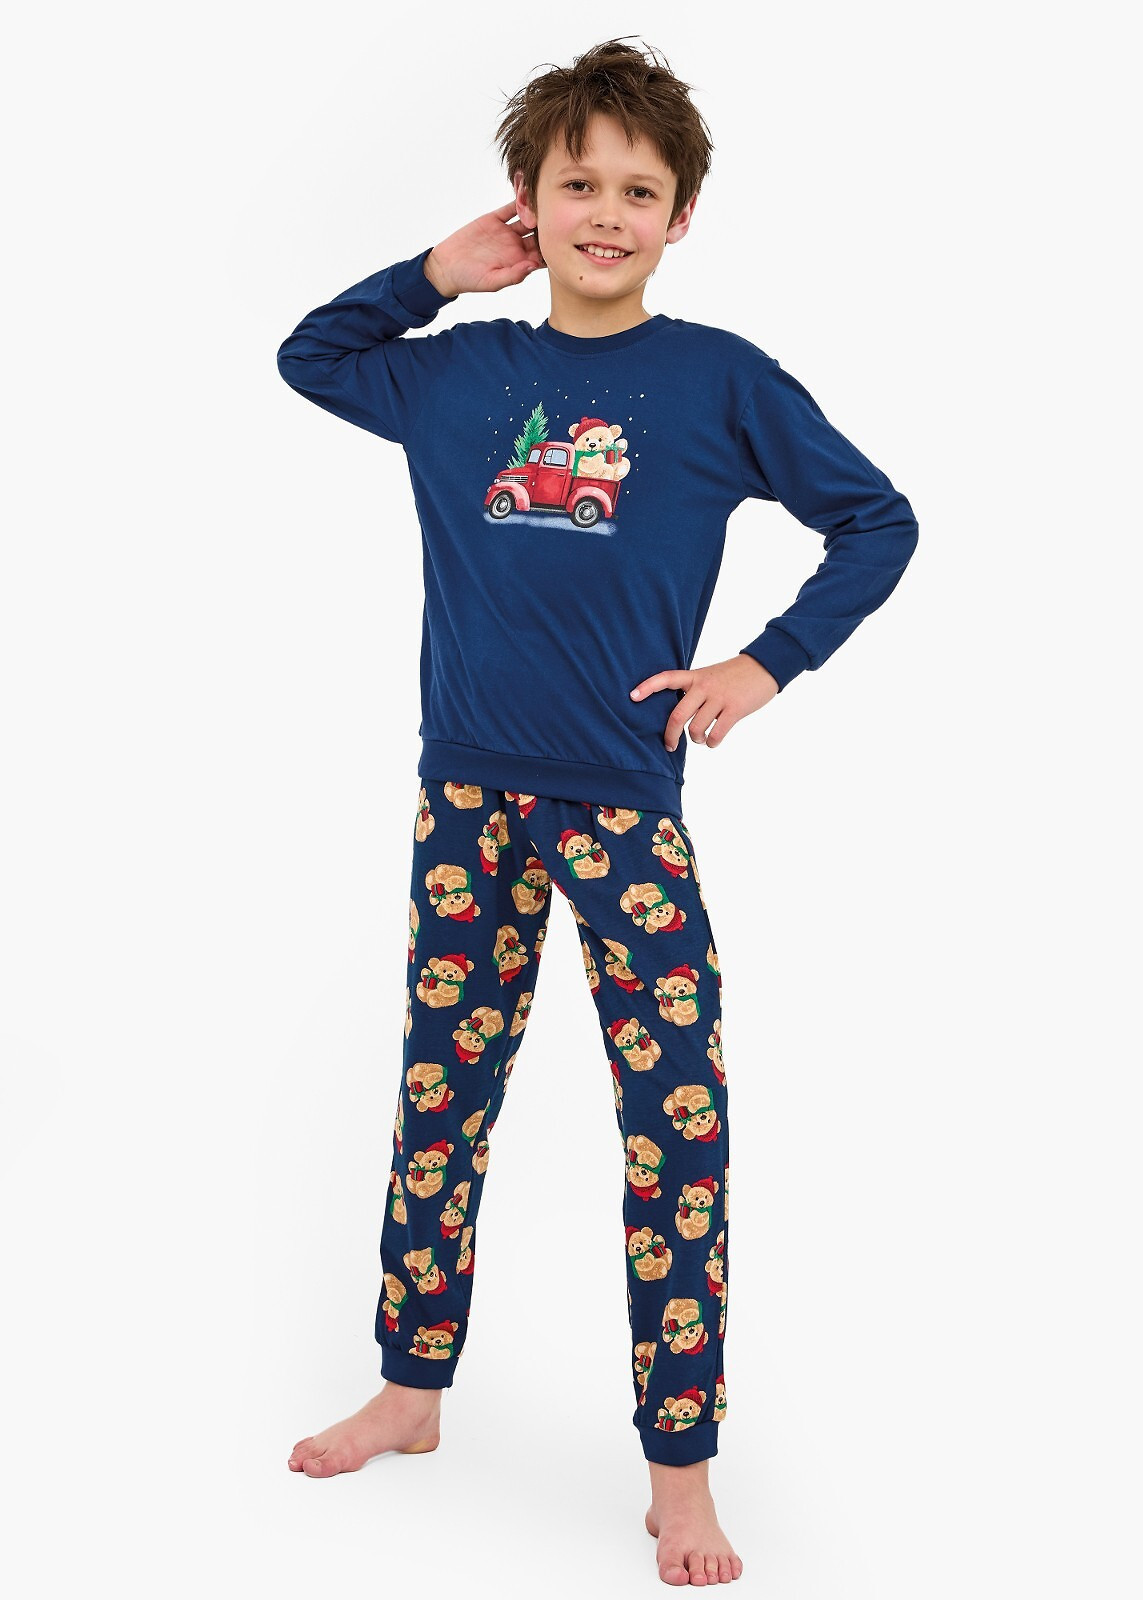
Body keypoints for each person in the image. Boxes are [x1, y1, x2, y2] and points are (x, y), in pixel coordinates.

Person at [275, 36, 918, 1587]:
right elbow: (311, 354)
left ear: (681, 215)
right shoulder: (457, 377)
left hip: (621, 810)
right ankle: (412, 1390)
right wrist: (440, 273)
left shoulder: (719, 382)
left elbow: (876, 521)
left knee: (673, 1129)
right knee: (444, 1096)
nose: (606, 213)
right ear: (530, 199)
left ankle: (678, 1472)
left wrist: (767, 662)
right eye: (579, 184)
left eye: (639, 190)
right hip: (467, 796)